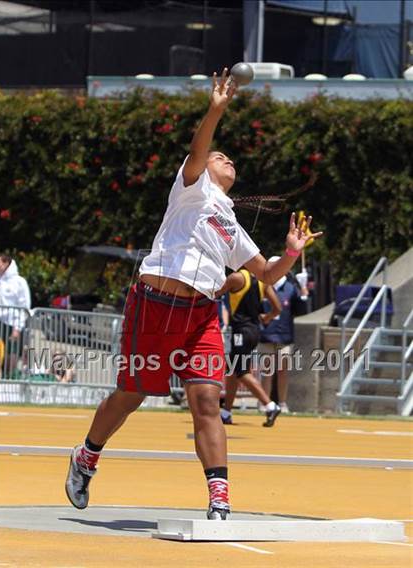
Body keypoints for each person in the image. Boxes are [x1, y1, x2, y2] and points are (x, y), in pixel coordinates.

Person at [65, 68, 322, 521]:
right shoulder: (192, 188)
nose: (224, 159)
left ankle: (219, 497)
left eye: (227, 159)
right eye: (219, 155)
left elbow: (266, 274)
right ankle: (87, 456)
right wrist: (215, 110)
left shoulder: (232, 226)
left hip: (200, 315)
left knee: (206, 401)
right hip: (155, 304)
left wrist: (291, 252)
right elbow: (199, 147)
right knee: (131, 393)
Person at [219, 268, 283, 427]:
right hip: (254, 330)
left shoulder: (236, 278)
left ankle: (270, 405)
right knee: (234, 370)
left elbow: (215, 293)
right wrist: (266, 318)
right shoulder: (263, 282)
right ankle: (226, 412)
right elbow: (277, 308)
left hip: (241, 331)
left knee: (241, 372)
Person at [259, 257, 309, 413]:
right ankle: (265, 402)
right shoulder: (263, 286)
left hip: (284, 336)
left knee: (283, 371)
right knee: (266, 371)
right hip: (266, 334)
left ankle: (282, 402)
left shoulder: (290, 288)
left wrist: (303, 290)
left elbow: (300, 311)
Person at [0, 254, 31, 376]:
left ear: (5, 264)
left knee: (11, 355)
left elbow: (24, 306)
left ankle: (9, 379)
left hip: (11, 323)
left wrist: (17, 327)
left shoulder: (19, 282)